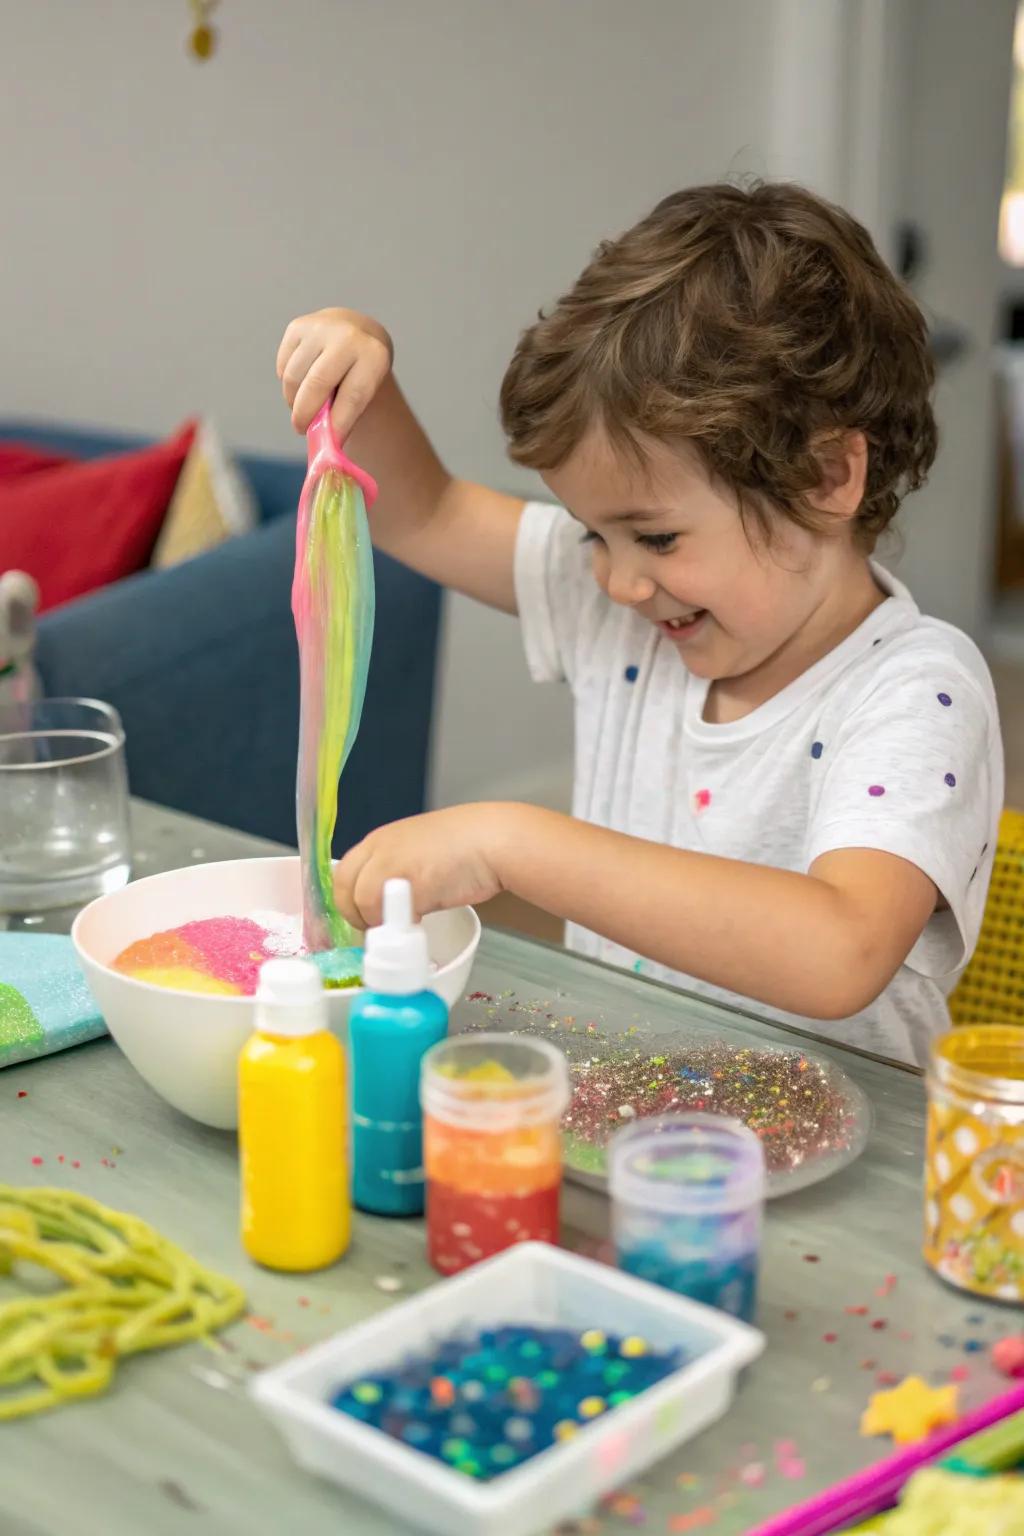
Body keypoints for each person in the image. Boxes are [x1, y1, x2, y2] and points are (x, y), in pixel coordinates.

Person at [276, 181, 1003, 1066]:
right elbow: (421, 513)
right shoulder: (631, 606)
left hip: (849, 1188)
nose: (619, 580)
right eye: (594, 533)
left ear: (825, 478)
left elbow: (839, 951)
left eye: (655, 535)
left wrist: (512, 841)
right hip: (637, 1119)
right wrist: (364, 365)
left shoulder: (915, 692)